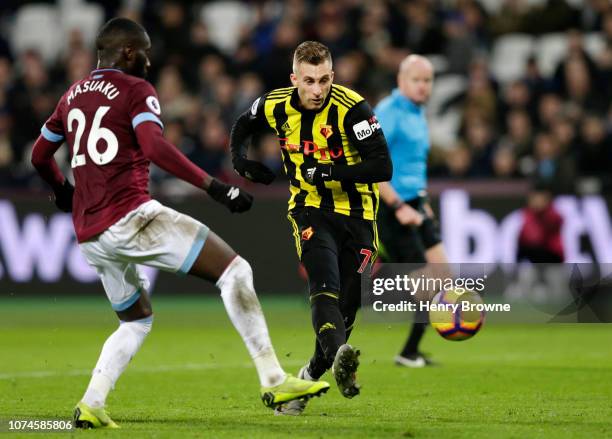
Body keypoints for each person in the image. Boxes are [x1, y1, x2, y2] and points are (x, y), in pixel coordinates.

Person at [30, 18, 329, 429]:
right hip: (131, 216)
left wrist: (63, 190)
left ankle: (91, 403)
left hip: (90, 234)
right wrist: (214, 187)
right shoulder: (135, 89)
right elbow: (153, 146)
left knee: (135, 320)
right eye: (146, 52)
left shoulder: (72, 95)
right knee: (236, 271)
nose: (150, 62)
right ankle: (275, 379)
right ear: (129, 52)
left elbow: (39, 156)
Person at [229, 41, 392, 415]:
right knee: (324, 287)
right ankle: (339, 356)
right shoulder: (276, 103)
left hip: (359, 216)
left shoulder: (353, 109)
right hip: (309, 209)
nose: (317, 90)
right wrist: (240, 161)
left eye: (323, 80)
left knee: (348, 309)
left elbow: (382, 167)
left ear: (332, 76)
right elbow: (243, 123)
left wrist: (330, 171)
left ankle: (311, 372)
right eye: (308, 81)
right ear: (294, 79)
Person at [374, 55, 449, 368]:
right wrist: (399, 206)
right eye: (417, 80)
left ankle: (410, 352)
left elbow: (412, 165)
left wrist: (422, 202)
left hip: (415, 204)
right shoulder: (388, 113)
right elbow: (374, 167)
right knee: (427, 283)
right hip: (393, 207)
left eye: (428, 80)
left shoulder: (417, 112)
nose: (423, 86)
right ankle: (407, 352)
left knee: (443, 276)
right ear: (401, 81)